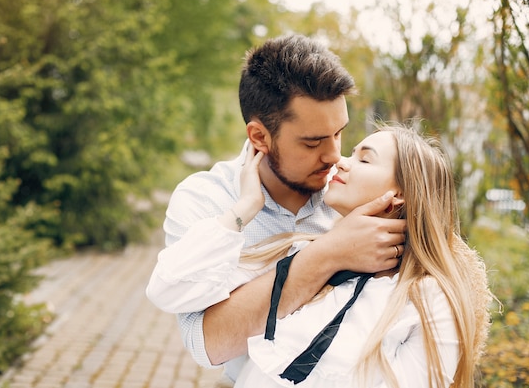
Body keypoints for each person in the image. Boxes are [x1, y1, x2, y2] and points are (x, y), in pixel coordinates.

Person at [146, 34, 406, 384]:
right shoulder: (205, 200)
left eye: (339, 134)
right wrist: (329, 254)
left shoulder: (352, 189)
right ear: (259, 137)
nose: (333, 156)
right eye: (312, 142)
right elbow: (207, 344)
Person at [230, 125, 493, 387]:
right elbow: (195, 290)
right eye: (352, 154)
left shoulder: (426, 299)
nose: (341, 162)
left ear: (399, 194)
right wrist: (248, 204)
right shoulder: (308, 254)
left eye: (364, 159)